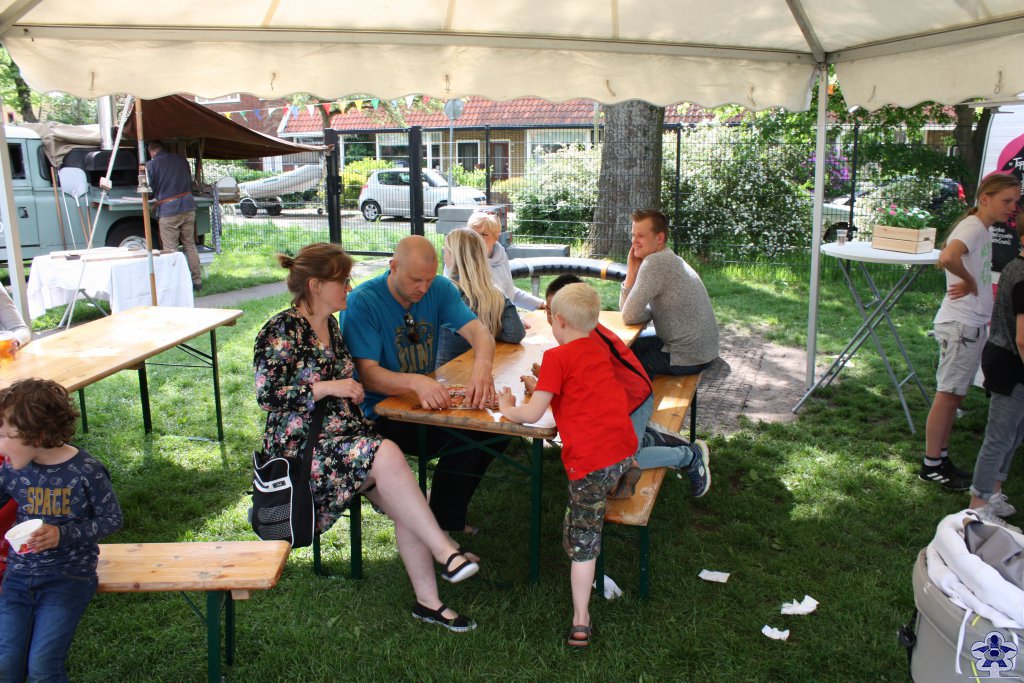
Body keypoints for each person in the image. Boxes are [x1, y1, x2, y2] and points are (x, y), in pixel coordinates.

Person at [254, 243, 480, 632]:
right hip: (303, 452)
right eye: (342, 281)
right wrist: (330, 388)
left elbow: (349, 379)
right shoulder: (282, 328)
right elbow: (268, 395)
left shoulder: (331, 326)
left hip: (344, 439)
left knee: (405, 498)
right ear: (315, 285)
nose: (349, 287)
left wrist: (350, 391)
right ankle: (446, 551)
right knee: (388, 455)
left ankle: (430, 603)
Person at [498, 282, 638, 648]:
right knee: (584, 510)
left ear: (557, 320)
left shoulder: (557, 358)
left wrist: (507, 406)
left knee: (583, 543)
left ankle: (580, 620)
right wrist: (540, 383)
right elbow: (576, 391)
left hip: (590, 465)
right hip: (623, 450)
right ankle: (619, 480)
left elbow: (532, 414)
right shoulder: (597, 349)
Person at [343, 235, 508, 536]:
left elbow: (480, 333)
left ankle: (442, 512)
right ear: (393, 266)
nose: (423, 288)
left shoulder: (440, 289)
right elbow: (367, 375)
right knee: (467, 438)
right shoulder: (363, 301)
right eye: (416, 280)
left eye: (429, 280)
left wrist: (482, 369)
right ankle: (442, 527)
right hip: (378, 413)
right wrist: (416, 382)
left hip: (421, 405)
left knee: (496, 431)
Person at [541, 274, 711, 496]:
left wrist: (546, 388)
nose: (552, 318)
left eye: (555, 311)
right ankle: (650, 438)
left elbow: (588, 392)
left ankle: (689, 457)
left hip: (634, 401)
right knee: (609, 452)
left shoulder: (587, 340)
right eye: (548, 311)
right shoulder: (579, 330)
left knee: (624, 460)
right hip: (621, 402)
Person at [0, 378, 123, 681]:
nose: (0, 444)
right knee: (6, 663)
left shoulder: (86, 471)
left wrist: (61, 534)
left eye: (5, 436)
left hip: (67, 577)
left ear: (37, 436)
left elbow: (111, 519)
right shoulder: (11, 469)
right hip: (18, 577)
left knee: (42, 667)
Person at [921, 174, 1022, 490]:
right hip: (960, 325)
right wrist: (968, 281)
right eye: (1007, 200)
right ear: (985, 198)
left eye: (1016, 201)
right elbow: (947, 257)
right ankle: (931, 465)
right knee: (948, 396)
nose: (1013, 207)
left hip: (969, 324)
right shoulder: (973, 227)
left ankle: (941, 459)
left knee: (955, 396)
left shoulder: (981, 228)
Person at [620, 209, 719, 379]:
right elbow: (631, 312)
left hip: (686, 357)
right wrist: (632, 271)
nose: (634, 241)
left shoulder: (655, 263)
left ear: (659, 238)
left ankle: (647, 396)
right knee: (621, 346)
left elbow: (628, 315)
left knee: (616, 358)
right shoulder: (667, 257)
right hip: (703, 351)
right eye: (633, 235)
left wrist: (645, 312)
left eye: (641, 236)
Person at [966, 245, 1024, 531]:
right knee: (999, 438)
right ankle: (978, 507)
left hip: (1011, 362)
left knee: (1013, 435)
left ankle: (994, 494)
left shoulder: (1016, 267)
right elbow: (1022, 339)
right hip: (1009, 365)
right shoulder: (1021, 275)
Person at [435, 228, 525, 368]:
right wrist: (492, 328)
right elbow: (515, 334)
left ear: (453, 256)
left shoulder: (442, 292)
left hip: (443, 372)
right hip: (483, 368)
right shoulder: (496, 296)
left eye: (445, 250)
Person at [146, 140, 201, 292]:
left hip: (169, 211)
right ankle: (197, 281)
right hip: (188, 207)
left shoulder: (151, 165)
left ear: (151, 152)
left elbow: (150, 191)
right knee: (190, 245)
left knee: (171, 250)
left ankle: (177, 285)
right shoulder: (181, 160)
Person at [465, 212, 544, 310]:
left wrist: (541, 304)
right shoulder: (463, 260)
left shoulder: (500, 254)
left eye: (483, 234)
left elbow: (509, 292)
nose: (476, 239)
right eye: (472, 234)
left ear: (495, 237)